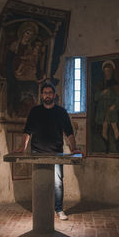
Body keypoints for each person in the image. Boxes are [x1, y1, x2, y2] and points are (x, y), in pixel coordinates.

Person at [13, 82, 83, 220]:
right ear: (41, 95)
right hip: (37, 153)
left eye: (50, 93)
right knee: (39, 182)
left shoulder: (61, 112)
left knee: (58, 183)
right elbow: (27, 131)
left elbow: (69, 133)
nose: (47, 95)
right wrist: (23, 147)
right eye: (45, 93)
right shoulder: (35, 111)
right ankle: (40, 208)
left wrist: (73, 148)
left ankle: (58, 209)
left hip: (56, 153)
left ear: (54, 95)